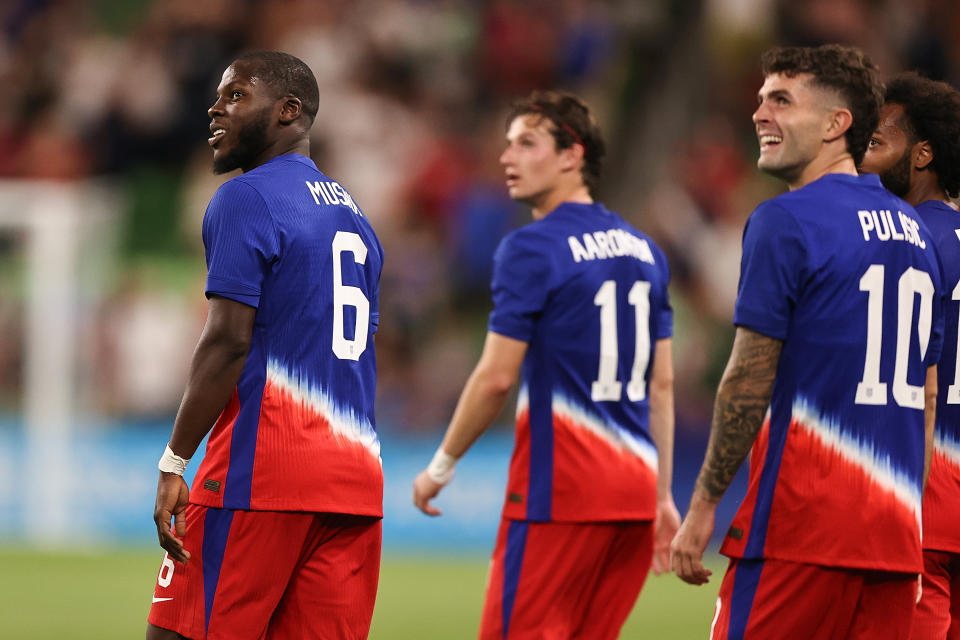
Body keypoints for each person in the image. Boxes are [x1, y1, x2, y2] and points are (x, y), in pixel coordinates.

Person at [669, 45, 945, 639]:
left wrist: (702, 507)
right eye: (761, 99)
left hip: (800, 536)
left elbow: (748, 377)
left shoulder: (785, 221)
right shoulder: (918, 238)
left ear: (835, 124)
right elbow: (926, 396)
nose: (759, 114)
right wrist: (911, 522)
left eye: (781, 101)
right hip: (895, 543)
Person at [412, 90, 681, 639]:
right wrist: (662, 497)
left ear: (571, 154)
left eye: (526, 143)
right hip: (634, 499)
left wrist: (440, 465)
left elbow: (495, 377)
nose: (507, 158)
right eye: (507, 145)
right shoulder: (645, 251)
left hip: (561, 492)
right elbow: (663, 384)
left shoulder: (531, 248)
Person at [146, 51, 384, 640]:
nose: (216, 106)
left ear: (288, 111)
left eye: (235, 95)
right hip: (354, 485)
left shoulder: (245, 197)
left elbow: (227, 341)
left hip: (262, 476)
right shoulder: (356, 219)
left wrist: (175, 459)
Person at [860, 72, 960, 640]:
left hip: (920, 504)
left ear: (922, 154)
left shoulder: (899, 242)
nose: (862, 159)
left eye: (877, 143)